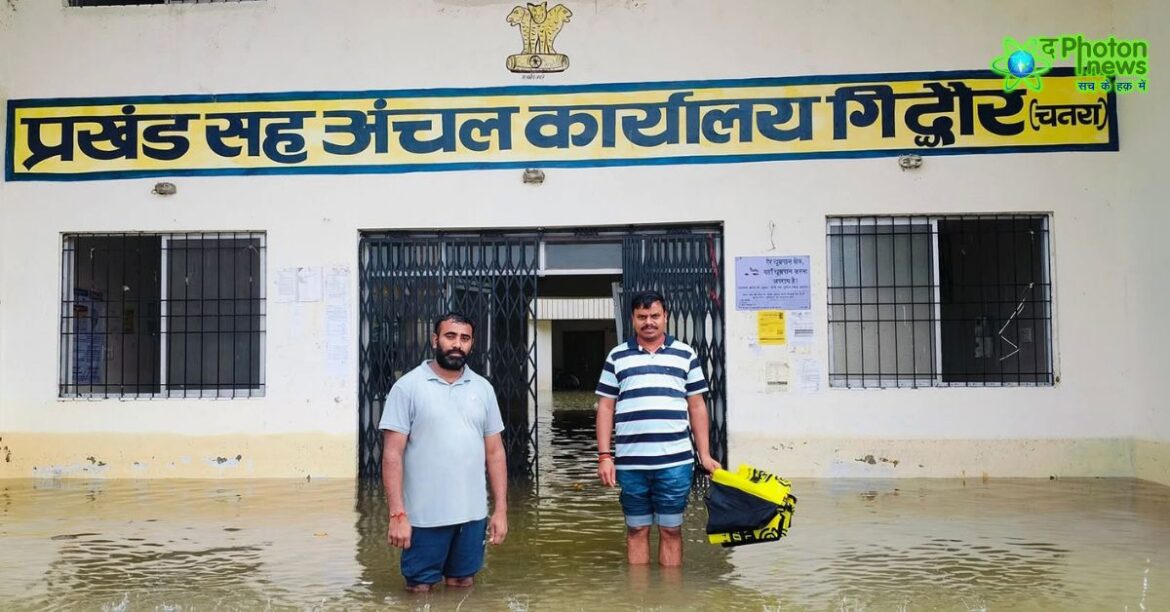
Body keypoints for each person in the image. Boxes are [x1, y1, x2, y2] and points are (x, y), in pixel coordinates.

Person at [380, 312, 509, 592]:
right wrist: (397, 514)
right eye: (450, 336)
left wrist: (500, 510)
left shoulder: (483, 389)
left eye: (465, 338)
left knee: (463, 584)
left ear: (472, 343)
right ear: (435, 339)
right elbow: (392, 455)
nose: (457, 344)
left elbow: (495, 453)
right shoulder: (407, 387)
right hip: (423, 516)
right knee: (419, 589)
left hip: (472, 516)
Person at [595, 290, 721, 566]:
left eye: (654, 316)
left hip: (675, 463)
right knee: (636, 530)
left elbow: (697, 406)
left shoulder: (685, 355)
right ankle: (639, 592)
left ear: (665, 317)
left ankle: (670, 591)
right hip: (631, 464)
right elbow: (605, 408)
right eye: (642, 317)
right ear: (632, 319)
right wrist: (605, 456)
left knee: (671, 530)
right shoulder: (617, 356)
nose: (648, 322)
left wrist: (704, 454)